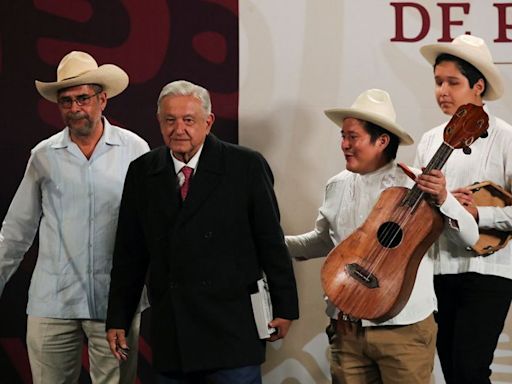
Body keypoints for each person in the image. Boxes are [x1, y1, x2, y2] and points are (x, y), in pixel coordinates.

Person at [105, 80, 299, 384]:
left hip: (233, 329)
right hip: (174, 332)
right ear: (159, 122)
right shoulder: (143, 171)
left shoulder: (245, 165)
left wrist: (285, 307)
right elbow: (130, 254)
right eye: (170, 120)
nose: (178, 128)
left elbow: (270, 242)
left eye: (188, 120)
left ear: (208, 123)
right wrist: (118, 317)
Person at [286, 88, 479, 384]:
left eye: (353, 137)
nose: (344, 145)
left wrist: (443, 198)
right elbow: (326, 241)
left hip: (404, 331)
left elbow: (469, 237)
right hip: (346, 331)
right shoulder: (335, 185)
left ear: (382, 141)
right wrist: (272, 243)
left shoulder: (418, 183)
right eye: (343, 136)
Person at [0, 51, 149, 383]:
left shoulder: (135, 150)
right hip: (53, 302)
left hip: (115, 304)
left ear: (102, 99)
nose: (74, 108)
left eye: (83, 98)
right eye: (66, 101)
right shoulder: (43, 156)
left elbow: (153, 229)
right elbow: (16, 232)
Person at [416, 34, 512, 384]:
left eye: (452, 82)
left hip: (488, 272)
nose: (442, 90)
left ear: (478, 86)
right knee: (454, 373)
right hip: (438, 271)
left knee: (470, 372)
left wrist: (476, 214)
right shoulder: (429, 140)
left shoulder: (506, 138)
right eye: (438, 81)